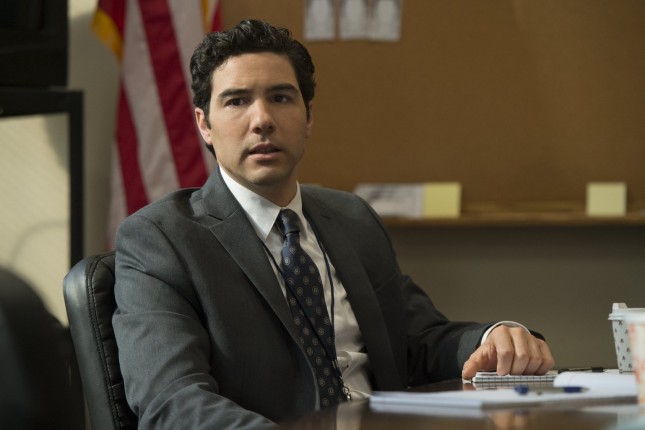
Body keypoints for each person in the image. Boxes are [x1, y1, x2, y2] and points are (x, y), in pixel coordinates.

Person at [113, 19, 554, 429]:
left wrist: (494, 339)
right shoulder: (162, 239)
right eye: (237, 101)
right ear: (204, 124)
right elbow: (172, 400)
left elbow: (419, 341)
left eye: (280, 98)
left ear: (308, 117)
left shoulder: (351, 218)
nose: (262, 120)